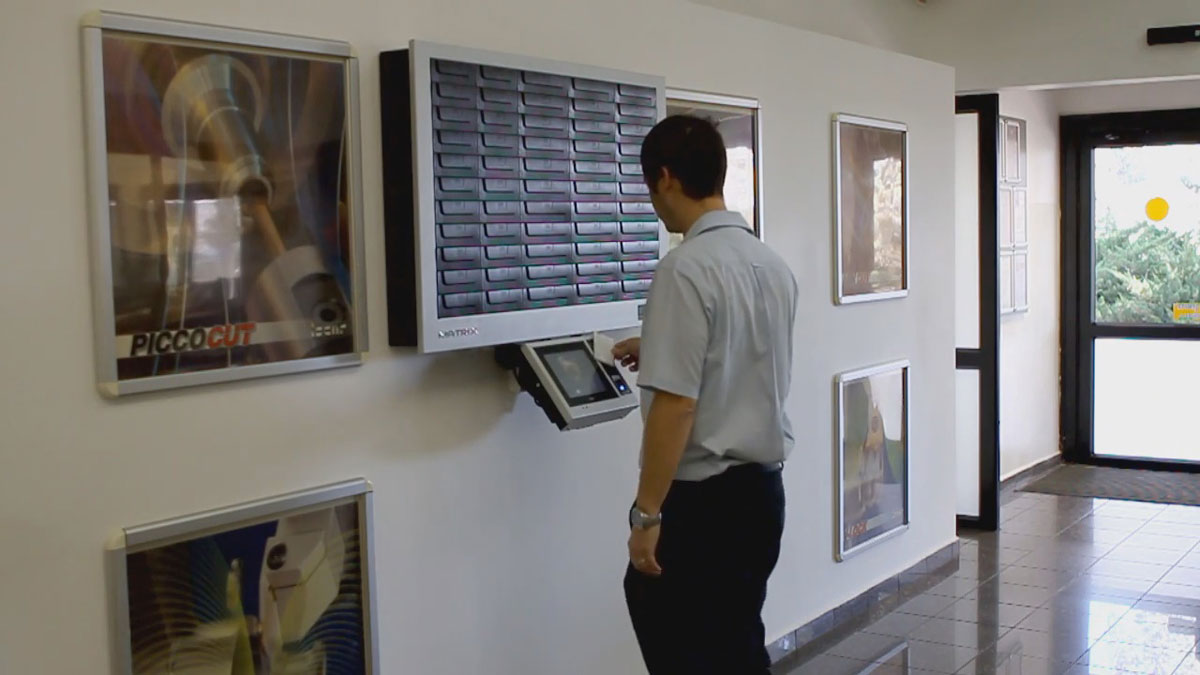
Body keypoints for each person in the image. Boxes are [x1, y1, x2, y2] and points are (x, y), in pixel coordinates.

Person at [614, 115, 798, 674]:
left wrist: (646, 516)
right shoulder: (771, 264)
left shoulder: (684, 269)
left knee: (681, 641)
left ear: (665, 178)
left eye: (650, 188)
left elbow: (677, 406)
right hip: (762, 498)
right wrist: (661, 347)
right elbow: (738, 356)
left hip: (704, 508)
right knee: (736, 643)